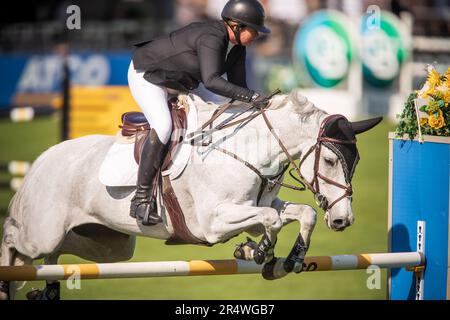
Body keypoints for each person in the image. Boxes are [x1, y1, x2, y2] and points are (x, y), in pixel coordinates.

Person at [128, 0, 271, 225]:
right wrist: (253, 97)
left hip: (178, 83)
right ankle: (140, 200)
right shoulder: (212, 37)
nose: (257, 35)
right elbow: (212, 81)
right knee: (164, 126)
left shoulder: (238, 48)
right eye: (254, 30)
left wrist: (260, 105)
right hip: (147, 75)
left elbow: (238, 89)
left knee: (220, 114)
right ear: (236, 25)